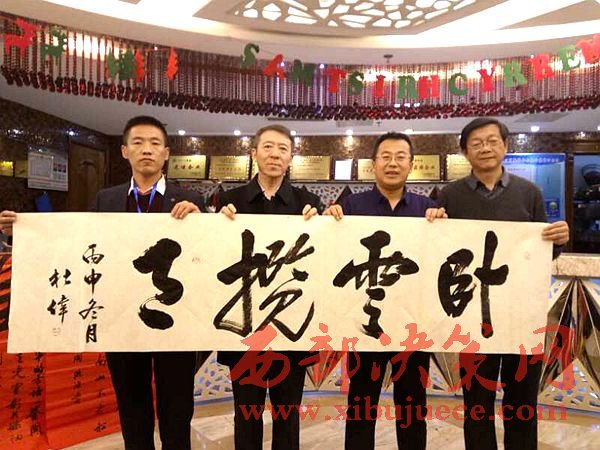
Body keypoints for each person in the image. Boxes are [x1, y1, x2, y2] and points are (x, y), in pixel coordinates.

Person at [425, 117, 569, 450]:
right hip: (472, 318)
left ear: (505, 146)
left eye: (492, 141)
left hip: (521, 315)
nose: (485, 148)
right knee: (477, 402)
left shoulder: (529, 193)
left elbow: (542, 251)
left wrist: (558, 239)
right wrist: (434, 223)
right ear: (465, 152)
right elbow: (439, 252)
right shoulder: (449, 195)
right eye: (476, 143)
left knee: (522, 402)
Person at [324, 132, 446, 450]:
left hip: (413, 326)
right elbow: (330, 255)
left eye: (400, 157)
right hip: (365, 325)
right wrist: (327, 224)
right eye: (386, 157)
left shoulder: (429, 209)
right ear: (374, 164)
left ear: (411, 164)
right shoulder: (351, 206)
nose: (393, 163)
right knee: (361, 405)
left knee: (412, 406)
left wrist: (443, 225)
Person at [92, 115, 207, 450]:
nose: (147, 150)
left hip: (175, 319)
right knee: (132, 404)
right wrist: (22, 230)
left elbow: (206, 256)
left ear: (166, 153)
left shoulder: (191, 201)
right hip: (122, 318)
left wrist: (202, 224)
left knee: (177, 405)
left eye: (155, 143)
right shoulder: (105, 200)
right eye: (138, 143)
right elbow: (84, 246)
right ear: (124, 151)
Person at [217, 124, 319, 450]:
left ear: (291, 158)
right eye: (268, 147)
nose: (275, 155)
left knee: (287, 415)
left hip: (290, 329)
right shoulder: (229, 203)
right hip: (243, 329)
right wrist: (215, 223)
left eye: (282, 149)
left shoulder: (308, 204)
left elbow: (322, 260)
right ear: (254, 153)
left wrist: (327, 220)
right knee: (246, 414)